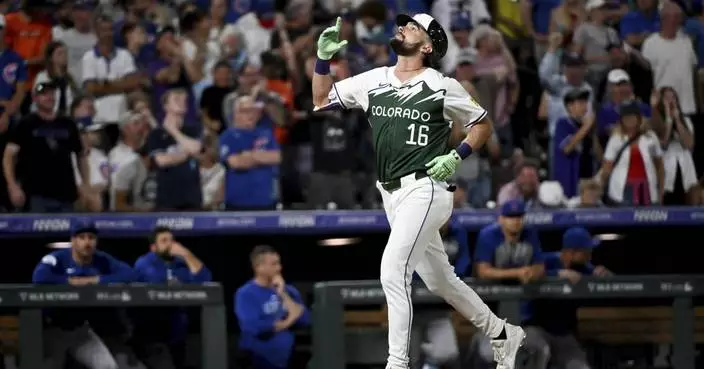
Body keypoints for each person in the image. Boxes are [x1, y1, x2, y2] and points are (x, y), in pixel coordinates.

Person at [312, 15, 524, 369]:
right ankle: (503, 333)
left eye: (413, 27)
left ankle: (397, 363)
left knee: (392, 269)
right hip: (390, 194)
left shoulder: (443, 85)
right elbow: (320, 100)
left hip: (426, 187)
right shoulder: (373, 78)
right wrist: (323, 59)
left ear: (428, 46)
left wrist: (458, 155)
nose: (403, 27)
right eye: (404, 24)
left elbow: (482, 125)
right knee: (442, 281)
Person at [32, 220, 135, 369]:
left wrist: (95, 280)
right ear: (73, 241)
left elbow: (130, 274)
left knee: (108, 366)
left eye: (91, 238)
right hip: (53, 329)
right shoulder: (59, 258)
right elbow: (39, 277)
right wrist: (69, 281)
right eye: (82, 237)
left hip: (80, 332)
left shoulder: (101, 259)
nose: (87, 242)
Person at [526, 227, 612, 369]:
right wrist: (557, 274)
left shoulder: (584, 268)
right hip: (535, 328)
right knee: (538, 351)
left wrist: (605, 277)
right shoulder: (545, 261)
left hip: (564, 335)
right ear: (571, 253)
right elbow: (528, 275)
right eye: (585, 251)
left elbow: (606, 284)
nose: (589, 255)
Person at [132, 226, 212, 369]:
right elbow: (156, 282)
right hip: (152, 333)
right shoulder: (144, 262)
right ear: (153, 247)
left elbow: (205, 279)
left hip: (177, 334)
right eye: (164, 241)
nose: (170, 244)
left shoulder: (180, 263)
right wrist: (180, 283)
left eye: (172, 240)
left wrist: (186, 254)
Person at [3, 82, 89, 213]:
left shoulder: (67, 123)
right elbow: (8, 156)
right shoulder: (26, 123)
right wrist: (12, 185)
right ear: (35, 98)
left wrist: (85, 184)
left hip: (66, 194)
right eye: (44, 94)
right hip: (36, 194)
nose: (49, 97)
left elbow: (81, 156)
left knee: (67, 232)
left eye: (51, 94)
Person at [235, 245, 310, 369]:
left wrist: (282, 294)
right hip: (257, 360)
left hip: (287, 360)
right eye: (274, 264)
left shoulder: (289, 291)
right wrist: (289, 321)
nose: (279, 268)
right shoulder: (245, 293)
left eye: (279, 263)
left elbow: (305, 319)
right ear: (259, 267)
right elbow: (254, 327)